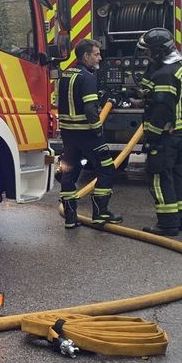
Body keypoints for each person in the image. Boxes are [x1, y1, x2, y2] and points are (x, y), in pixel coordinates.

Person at [54, 38, 121, 228]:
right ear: (85, 56)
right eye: (96, 54)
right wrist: (98, 129)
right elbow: (90, 109)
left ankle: (70, 218)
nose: (100, 58)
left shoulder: (66, 75)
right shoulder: (88, 77)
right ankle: (100, 214)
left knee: (69, 171)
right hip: (87, 133)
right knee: (106, 169)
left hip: (68, 134)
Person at [136, 28, 182, 237]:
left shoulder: (165, 75)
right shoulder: (175, 67)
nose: (145, 55)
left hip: (164, 137)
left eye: (148, 51)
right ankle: (180, 219)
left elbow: (163, 110)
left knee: (159, 178)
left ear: (158, 52)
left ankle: (167, 224)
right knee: (175, 177)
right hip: (177, 135)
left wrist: (153, 136)